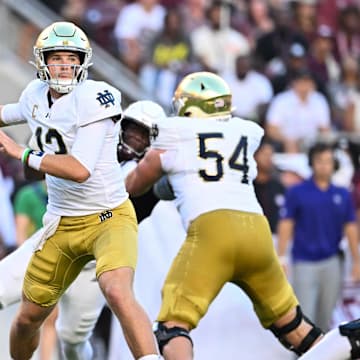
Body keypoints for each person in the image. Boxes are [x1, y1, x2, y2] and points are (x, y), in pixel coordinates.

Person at [125, 71, 325, 360]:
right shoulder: (243, 133)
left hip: (212, 230)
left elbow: (134, 185)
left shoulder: (175, 134)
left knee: (172, 327)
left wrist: (148, 172)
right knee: (293, 326)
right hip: (256, 230)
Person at [0, 21, 159, 360]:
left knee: (113, 295)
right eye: (56, 58)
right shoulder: (33, 95)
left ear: (83, 61)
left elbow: (80, 169)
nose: (65, 66)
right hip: (61, 224)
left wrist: (23, 153)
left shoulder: (95, 98)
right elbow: (8, 114)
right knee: (28, 319)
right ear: (42, 61)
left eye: (71, 58)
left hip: (108, 219)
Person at [277, 142, 360, 332]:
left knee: (326, 315)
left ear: (334, 165)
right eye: (320, 161)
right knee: (305, 316)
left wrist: (356, 260)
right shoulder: (297, 192)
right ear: (312, 163)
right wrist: (281, 256)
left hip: (332, 261)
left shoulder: (342, 193)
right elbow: (286, 224)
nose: (324, 165)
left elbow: (351, 227)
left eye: (328, 161)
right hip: (305, 261)